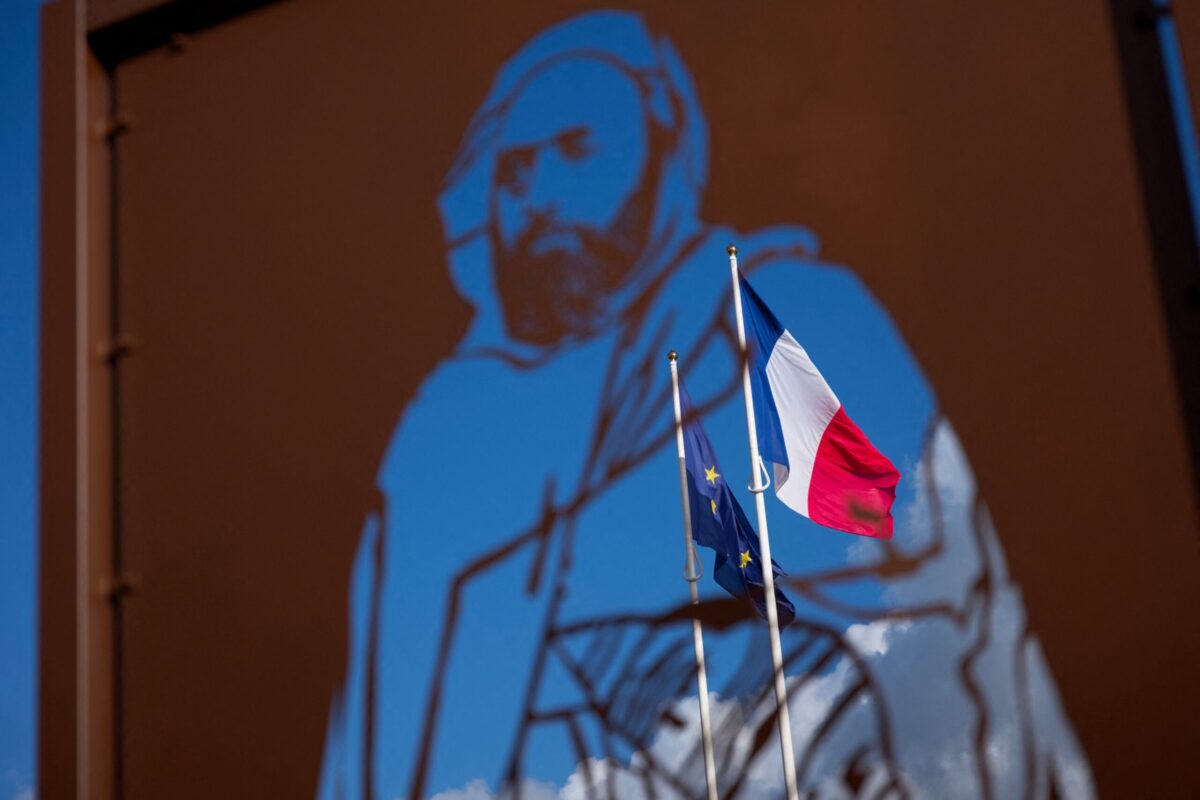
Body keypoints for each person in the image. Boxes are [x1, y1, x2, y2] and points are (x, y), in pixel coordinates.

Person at [319, 11, 1093, 799]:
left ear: (662, 153)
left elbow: (922, 570)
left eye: (578, 151)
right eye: (514, 172)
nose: (541, 195)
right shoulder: (447, 429)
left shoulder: (784, 310)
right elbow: (384, 719)